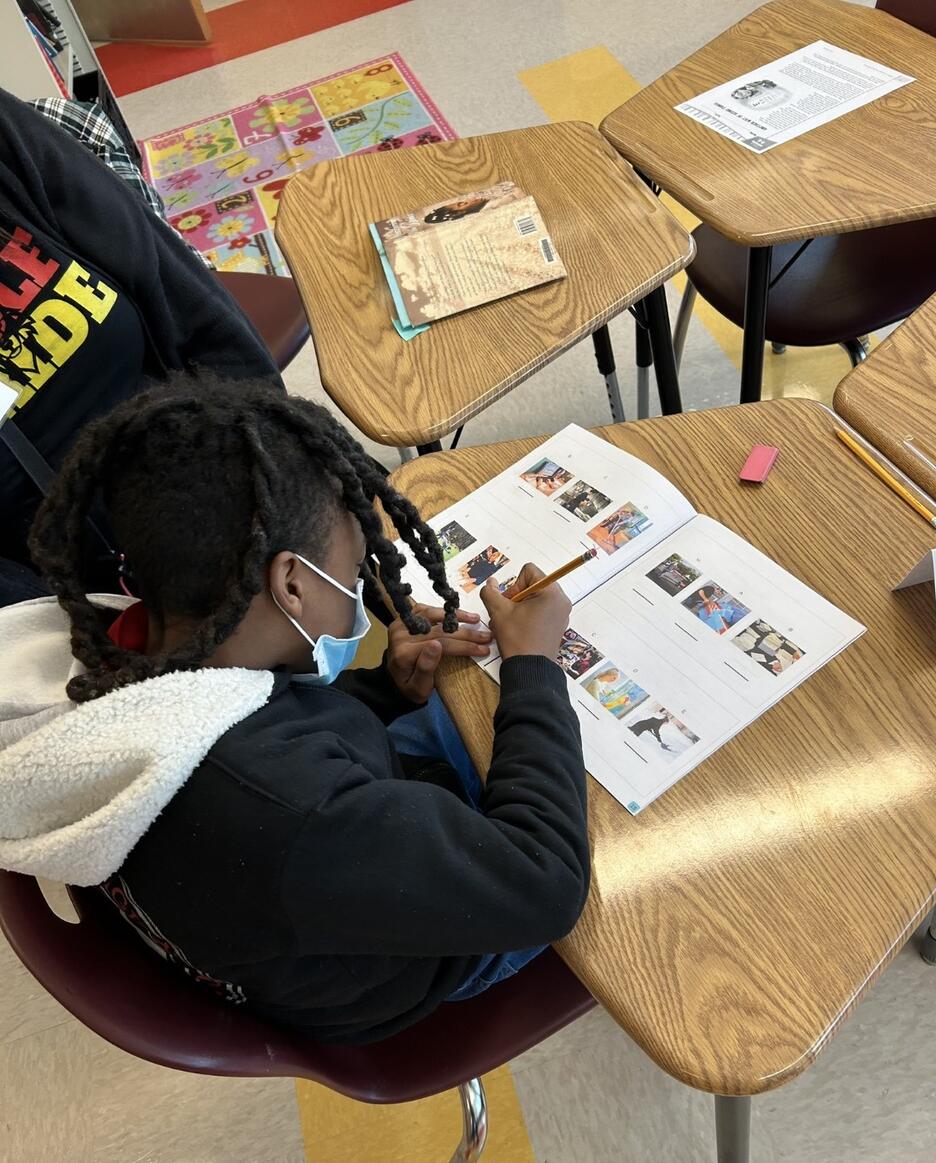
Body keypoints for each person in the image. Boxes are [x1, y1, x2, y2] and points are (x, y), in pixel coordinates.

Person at [0, 378, 590, 1044]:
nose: (362, 586)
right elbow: (548, 881)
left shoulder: (128, 652)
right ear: (291, 584)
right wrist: (534, 665)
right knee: (635, 812)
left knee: (478, 717)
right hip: (408, 969)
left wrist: (387, 687)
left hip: (294, 890)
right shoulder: (290, 807)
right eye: (356, 566)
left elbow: (283, 730)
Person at [0, 87, 280, 601]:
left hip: (220, 473)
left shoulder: (8, 138)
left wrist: (273, 481)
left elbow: (191, 304)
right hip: (67, 611)